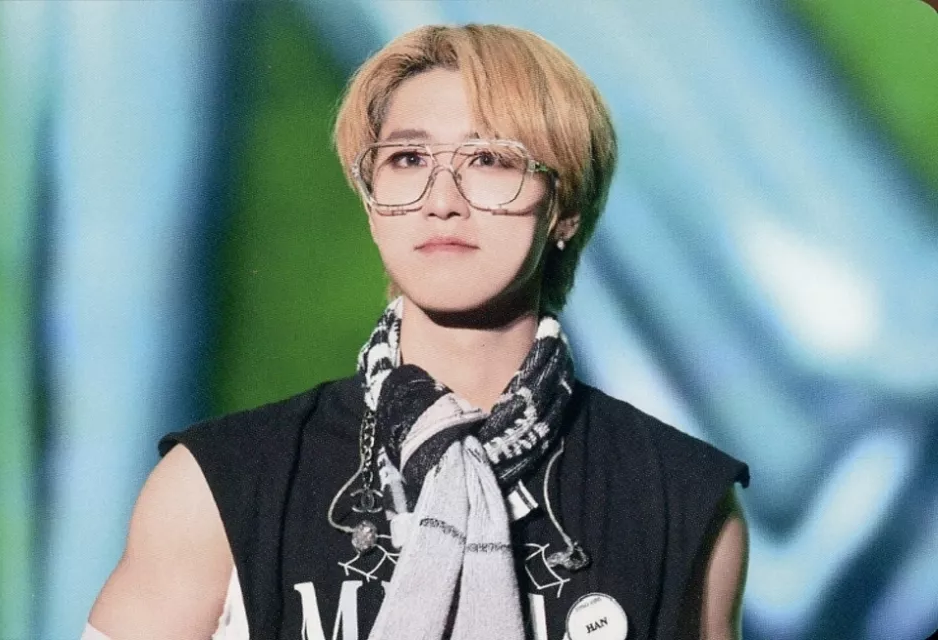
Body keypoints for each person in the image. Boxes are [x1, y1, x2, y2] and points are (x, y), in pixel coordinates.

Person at [84, 23, 749, 640]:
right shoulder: (221, 483)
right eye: (407, 158)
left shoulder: (678, 498)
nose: (442, 199)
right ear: (372, 200)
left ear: (565, 206)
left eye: (490, 158)